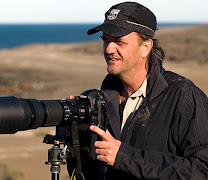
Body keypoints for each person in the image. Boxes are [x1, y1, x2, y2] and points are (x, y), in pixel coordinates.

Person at [67, 2, 208, 180]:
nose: (109, 49)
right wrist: (77, 143)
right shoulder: (101, 99)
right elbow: (90, 174)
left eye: (119, 42)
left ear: (145, 47)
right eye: (105, 40)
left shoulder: (182, 96)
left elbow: (202, 170)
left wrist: (124, 157)